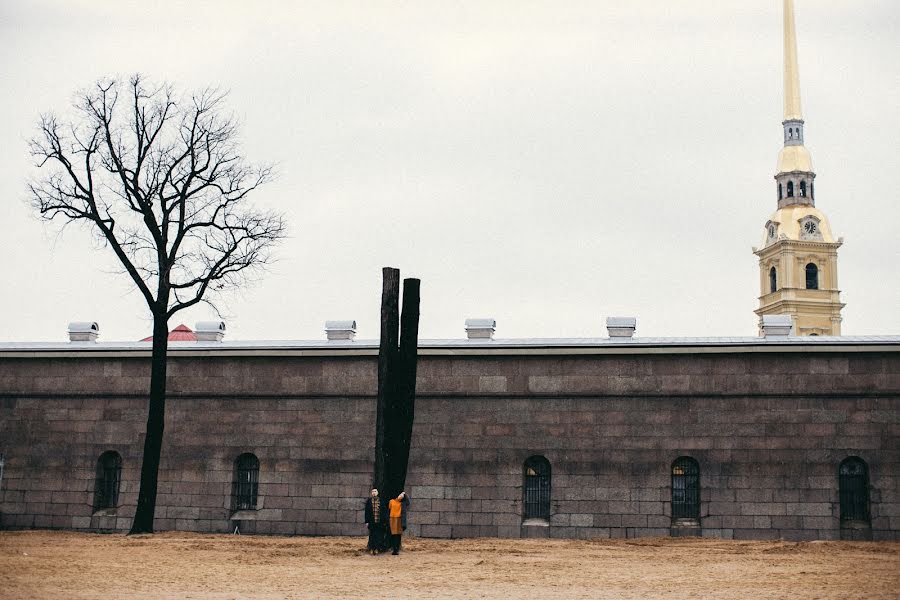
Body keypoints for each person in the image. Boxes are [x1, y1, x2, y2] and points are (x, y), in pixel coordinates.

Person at [364, 488, 386, 555]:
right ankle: (371, 548)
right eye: (373, 491)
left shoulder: (381, 501)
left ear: (377, 493)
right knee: (372, 535)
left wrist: (384, 520)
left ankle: (377, 548)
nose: (374, 492)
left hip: (379, 521)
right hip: (371, 522)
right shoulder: (369, 501)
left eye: (375, 491)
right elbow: (367, 512)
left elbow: (384, 511)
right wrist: (367, 521)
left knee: (378, 535)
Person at [387, 491, 410, 555]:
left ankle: (397, 549)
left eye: (402, 496)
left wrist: (405, 494)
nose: (401, 496)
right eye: (400, 495)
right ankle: (394, 549)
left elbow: (408, 503)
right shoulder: (391, 501)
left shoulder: (403, 503)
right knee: (393, 534)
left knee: (398, 535)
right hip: (392, 519)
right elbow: (389, 509)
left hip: (400, 519)